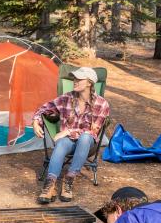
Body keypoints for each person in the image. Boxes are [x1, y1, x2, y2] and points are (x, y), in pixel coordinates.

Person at [32, 67, 109, 203]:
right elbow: (42, 109)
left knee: (84, 138)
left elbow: (92, 132)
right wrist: (35, 122)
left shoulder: (101, 104)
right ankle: (50, 185)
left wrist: (68, 131)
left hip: (87, 145)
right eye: (74, 78)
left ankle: (69, 181)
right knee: (62, 142)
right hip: (68, 143)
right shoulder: (66, 98)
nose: (75, 81)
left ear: (89, 83)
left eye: (79, 79)